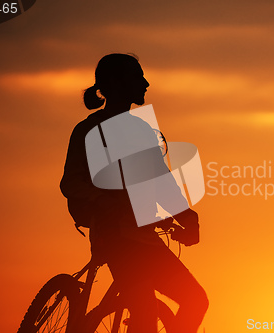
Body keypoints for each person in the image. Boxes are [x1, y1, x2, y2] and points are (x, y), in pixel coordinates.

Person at [60, 53, 208, 333]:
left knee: (196, 300)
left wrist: (187, 216)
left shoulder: (141, 129)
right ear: (117, 83)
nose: (146, 83)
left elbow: (160, 181)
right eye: (138, 77)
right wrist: (101, 200)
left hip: (142, 239)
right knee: (144, 315)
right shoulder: (89, 130)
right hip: (114, 237)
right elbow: (70, 182)